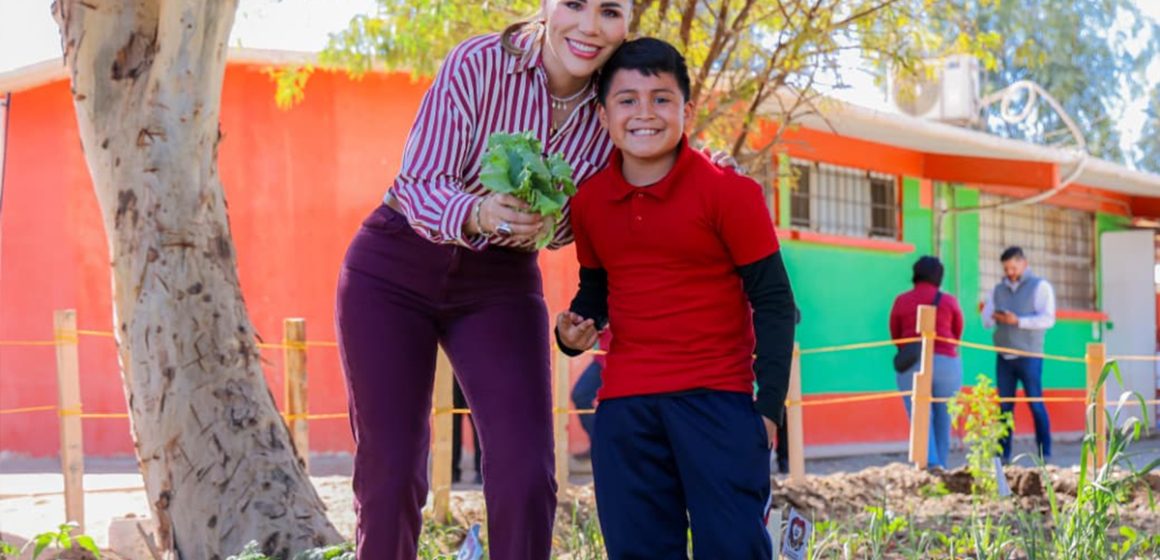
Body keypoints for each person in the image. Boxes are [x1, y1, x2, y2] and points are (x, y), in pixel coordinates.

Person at [334, 3, 631, 557]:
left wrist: (550, 222)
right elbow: (421, 181)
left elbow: (581, 219)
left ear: (629, 21)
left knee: (527, 473)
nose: (590, 26)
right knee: (391, 472)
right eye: (574, 5)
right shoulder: (479, 63)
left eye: (611, 11)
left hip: (500, 283)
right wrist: (480, 213)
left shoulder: (613, 107)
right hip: (395, 265)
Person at [556, 38, 797, 559]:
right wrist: (573, 332)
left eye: (661, 98)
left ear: (686, 110)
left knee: (734, 550)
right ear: (603, 115)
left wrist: (768, 410)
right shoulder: (589, 202)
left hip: (719, 403)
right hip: (624, 411)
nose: (645, 113)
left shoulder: (730, 193)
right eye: (627, 100)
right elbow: (596, 291)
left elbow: (776, 302)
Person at [982, 246, 1056, 462]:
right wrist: (996, 317)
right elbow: (986, 320)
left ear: (1024, 263)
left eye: (1013, 267)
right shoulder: (997, 290)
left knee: (1035, 404)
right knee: (1005, 406)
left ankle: (1045, 453)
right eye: (1006, 269)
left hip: (1030, 356)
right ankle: (1003, 455)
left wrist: (1019, 321)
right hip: (1004, 356)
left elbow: (1048, 319)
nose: (1010, 272)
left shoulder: (1040, 287)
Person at [889, 256, 964, 470]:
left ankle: (930, 465)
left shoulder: (902, 300)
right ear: (939, 277)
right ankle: (942, 465)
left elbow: (895, 336)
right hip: (946, 363)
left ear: (915, 274)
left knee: (919, 413)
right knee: (944, 415)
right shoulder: (948, 301)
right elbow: (957, 332)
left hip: (913, 363)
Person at [570, 328, 612, 460]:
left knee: (622, 405)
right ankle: (599, 444)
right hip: (601, 360)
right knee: (580, 395)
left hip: (626, 361)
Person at [451, 378, 482, 485]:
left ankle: (482, 469)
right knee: (450, 419)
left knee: (479, 417)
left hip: (475, 368)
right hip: (447, 371)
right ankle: (450, 470)